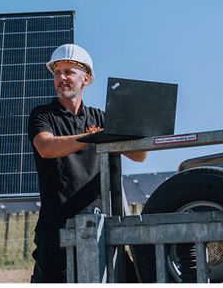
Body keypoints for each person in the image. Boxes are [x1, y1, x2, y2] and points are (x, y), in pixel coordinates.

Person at [27, 44, 147, 283]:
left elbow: (139, 155)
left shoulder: (101, 118)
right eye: (57, 72)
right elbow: (45, 147)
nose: (61, 78)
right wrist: (93, 137)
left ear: (86, 78)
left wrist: (136, 122)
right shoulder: (42, 115)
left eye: (69, 72)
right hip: (58, 229)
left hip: (103, 225)